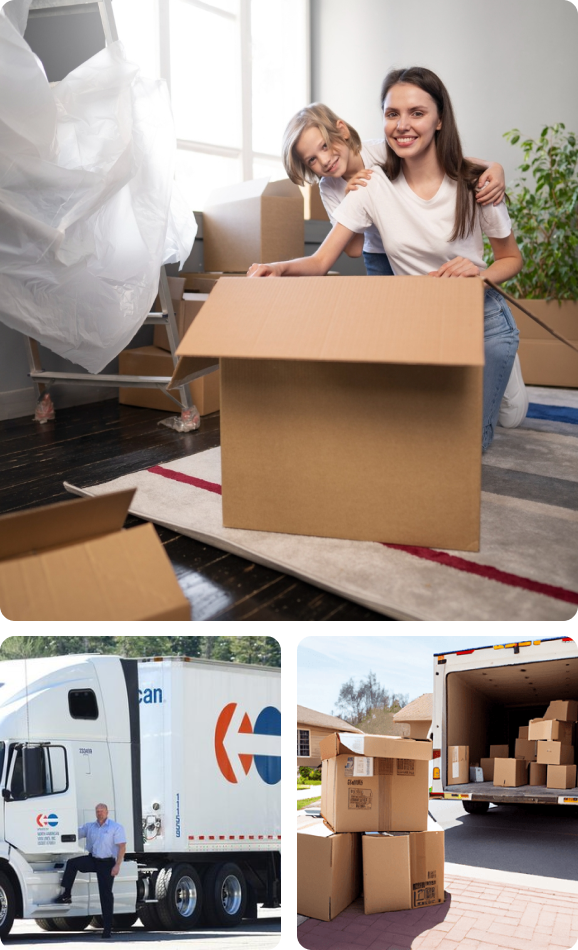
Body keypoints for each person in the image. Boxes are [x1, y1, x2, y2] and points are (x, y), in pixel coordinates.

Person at [249, 67, 528, 452]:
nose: (402, 126)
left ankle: (502, 365)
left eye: (417, 113)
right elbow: (326, 258)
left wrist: (494, 173)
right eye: (392, 114)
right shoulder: (359, 187)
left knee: (508, 418)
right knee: (429, 431)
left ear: (439, 118)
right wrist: (277, 267)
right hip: (403, 280)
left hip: (480, 311)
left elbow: (509, 254)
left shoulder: (467, 182)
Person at [281, 101, 507, 277]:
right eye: (312, 160)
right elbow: (353, 250)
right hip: (378, 254)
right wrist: (351, 201)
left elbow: (444, 163)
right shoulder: (329, 188)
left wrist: (493, 166)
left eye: (325, 146)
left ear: (342, 131)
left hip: (411, 244)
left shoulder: (381, 152)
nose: (325, 160)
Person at [54, 802, 126, 940]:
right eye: (97, 811)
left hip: (107, 863)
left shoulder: (115, 827)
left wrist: (117, 865)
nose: (99, 813)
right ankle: (67, 894)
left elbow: (122, 847)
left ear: (107, 812)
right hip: (93, 860)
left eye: (102, 811)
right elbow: (75, 832)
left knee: (105, 895)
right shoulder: (90, 827)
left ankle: (107, 929)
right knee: (72, 863)